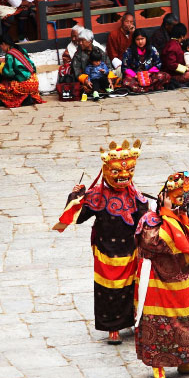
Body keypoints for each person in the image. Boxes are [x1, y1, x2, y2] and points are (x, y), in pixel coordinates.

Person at [53, 140, 147, 344]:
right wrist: (75, 196)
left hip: (131, 251)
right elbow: (77, 217)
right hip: (107, 251)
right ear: (106, 170)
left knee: (132, 287)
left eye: (129, 171)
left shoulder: (135, 196)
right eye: (116, 172)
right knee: (109, 290)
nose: (124, 176)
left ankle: (131, 321)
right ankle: (112, 327)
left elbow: (145, 221)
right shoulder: (97, 196)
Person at [134, 170, 189, 378]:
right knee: (160, 325)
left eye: (184, 198)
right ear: (164, 196)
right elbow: (153, 243)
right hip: (159, 282)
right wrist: (168, 220)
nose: (182, 202)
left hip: (183, 280)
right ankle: (158, 369)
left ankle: (186, 360)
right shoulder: (150, 220)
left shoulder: (182, 219)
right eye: (178, 198)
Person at [0, 34, 44, 108]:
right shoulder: (20, 49)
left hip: (26, 83)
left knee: (2, 88)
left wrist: (2, 68)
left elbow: (9, 73)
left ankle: (24, 99)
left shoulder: (9, 55)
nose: (1, 48)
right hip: (34, 81)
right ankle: (28, 97)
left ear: (4, 44)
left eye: (0, 46)